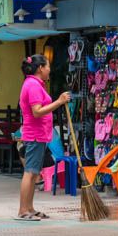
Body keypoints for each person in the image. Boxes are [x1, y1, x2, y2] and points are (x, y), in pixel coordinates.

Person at [17, 54, 69, 222]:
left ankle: (30, 208)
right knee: (30, 172)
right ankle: (23, 210)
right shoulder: (32, 85)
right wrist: (59, 102)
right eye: (47, 67)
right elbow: (37, 111)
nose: (49, 70)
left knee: (34, 173)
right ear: (40, 68)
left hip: (40, 135)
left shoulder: (36, 84)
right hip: (34, 135)